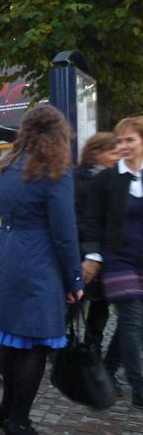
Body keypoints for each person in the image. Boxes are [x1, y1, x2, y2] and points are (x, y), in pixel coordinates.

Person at [0, 104, 84, 435]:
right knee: (34, 345)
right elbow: (65, 233)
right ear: (57, 134)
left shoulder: (10, 167)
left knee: (12, 341)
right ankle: (18, 419)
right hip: (38, 265)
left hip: (5, 259)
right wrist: (75, 280)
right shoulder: (54, 171)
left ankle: (7, 411)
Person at [83, 116, 143, 409]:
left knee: (136, 324)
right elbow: (92, 221)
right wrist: (92, 255)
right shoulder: (105, 179)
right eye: (119, 141)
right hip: (118, 259)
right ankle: (139, 387)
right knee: (131, 320)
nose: (123, 146)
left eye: (130, 140)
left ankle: (109, 367)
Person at [73, 133, 120, 352]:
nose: (117, 157)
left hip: (102, 255)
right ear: (96, 153)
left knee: (100, 306)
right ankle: (59, 350)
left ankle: (93, 349)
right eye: (113, 153)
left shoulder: (114, 179)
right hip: (84, 255)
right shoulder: (80, 180)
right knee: (75, 304)